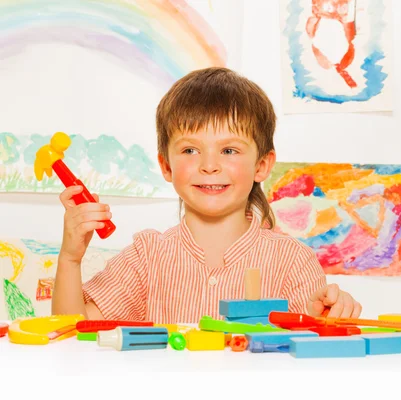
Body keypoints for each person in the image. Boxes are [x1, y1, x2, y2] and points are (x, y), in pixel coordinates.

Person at [52, 67, 362, 324]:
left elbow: (310, 341)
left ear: (262, 165)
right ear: (166, 166)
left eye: (229, 150)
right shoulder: (146, 255)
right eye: (190, 150)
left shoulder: (292, 261)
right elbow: (75, 333)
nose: (209, 166)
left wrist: (330, 315)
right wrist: (70, 258)